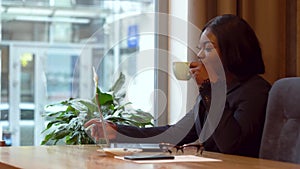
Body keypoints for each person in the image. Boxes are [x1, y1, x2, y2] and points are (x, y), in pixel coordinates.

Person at [85, 14, 271, 158]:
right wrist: (119, 132)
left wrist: (208, 88)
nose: (199, 55)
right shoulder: (213, 92)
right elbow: (175, 134)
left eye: (207, 48)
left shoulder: (255, 91)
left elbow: (231, 145)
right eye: (199, 48)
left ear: (233, 52)